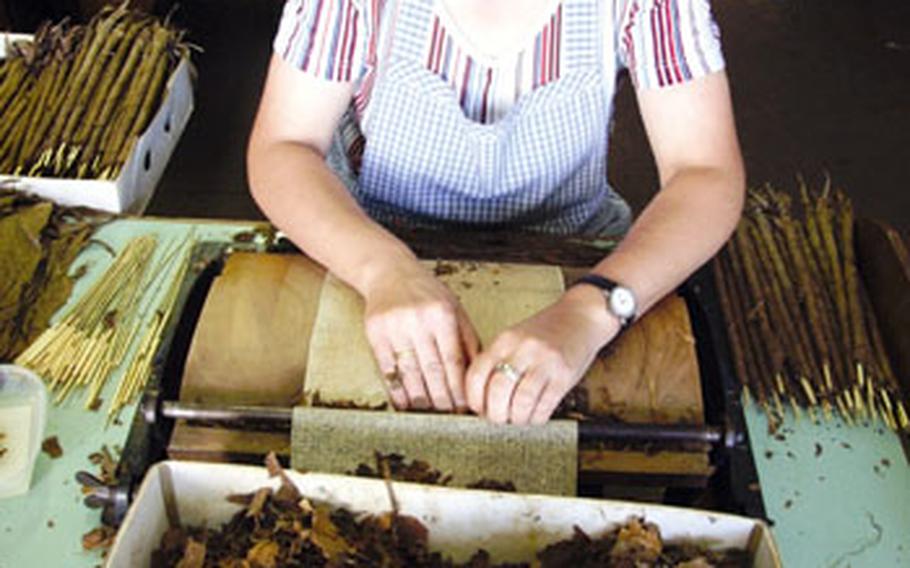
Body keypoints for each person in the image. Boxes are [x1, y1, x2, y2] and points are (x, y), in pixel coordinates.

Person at [247, 0, 744, 425]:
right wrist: (383, 270)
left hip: (575, 260)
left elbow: (703, 171)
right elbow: (285, 146)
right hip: (374, 248)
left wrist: (592, 310)